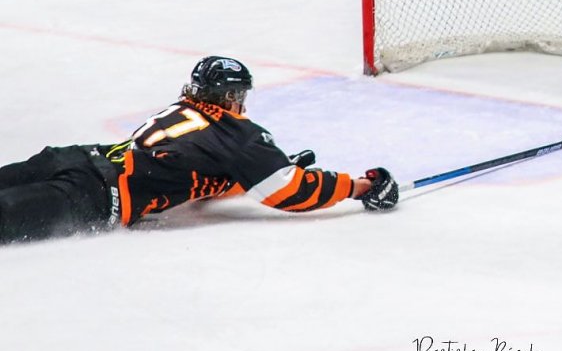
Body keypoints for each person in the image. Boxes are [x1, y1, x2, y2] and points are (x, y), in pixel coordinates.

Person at [0, 56, 399, 244]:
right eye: (239, 95)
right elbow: (290, 192)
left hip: (71, 157)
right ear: (229, 96)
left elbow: (189, 167)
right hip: (92, 194)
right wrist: (362, 186)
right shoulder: (238, 136)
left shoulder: (185, 110)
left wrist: (247, 178)